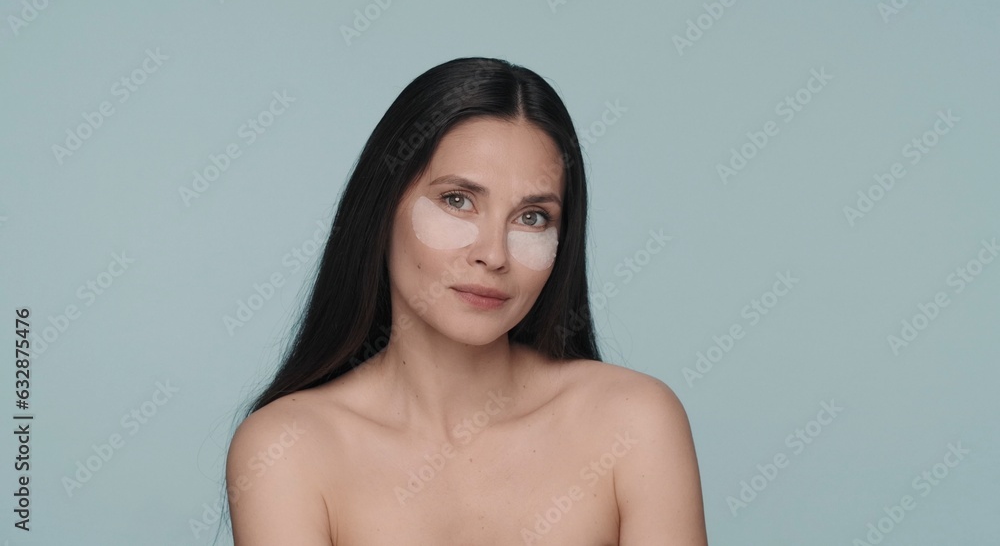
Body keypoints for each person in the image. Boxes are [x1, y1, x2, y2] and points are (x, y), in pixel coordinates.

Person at [224, 57, 707, 545]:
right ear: (382, 206)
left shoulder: (634, 423)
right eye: (458, 200)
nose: (493, 255)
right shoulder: (287, 449)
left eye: (533, 217)